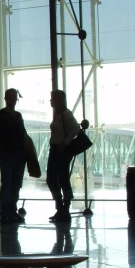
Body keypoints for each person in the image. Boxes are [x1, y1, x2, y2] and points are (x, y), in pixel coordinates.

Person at [0, 88, 27, 224]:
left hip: (15, 153)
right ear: (6, 98)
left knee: (13, 183)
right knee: (8, 184)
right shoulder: (4, 116)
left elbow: (23, 134)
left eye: (15, 98)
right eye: (12, 98)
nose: (13, 101)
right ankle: (7, 212)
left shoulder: (11, 115)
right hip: (9, 153)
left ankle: (10, 212)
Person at [47, 89, 80, 223]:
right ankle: (62, 208)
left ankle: (64, 209)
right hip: (55, 150)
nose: (50, 101)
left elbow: (76, 129)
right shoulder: (58, 114)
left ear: (58, 100)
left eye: (52, 98)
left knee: (61, 179)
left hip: (61, 151)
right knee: (54, 179)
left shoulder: (66, 114)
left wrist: (64, 143)